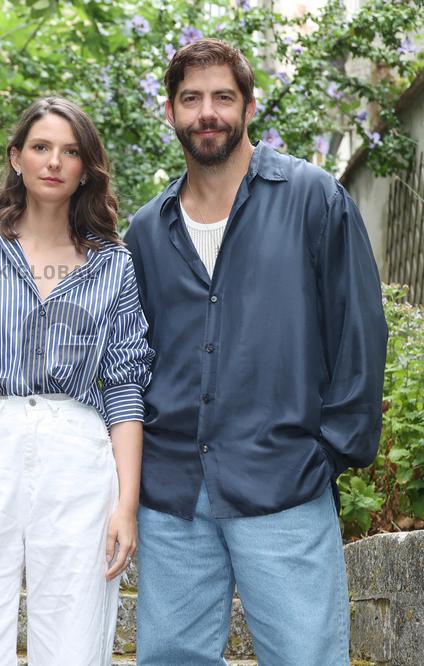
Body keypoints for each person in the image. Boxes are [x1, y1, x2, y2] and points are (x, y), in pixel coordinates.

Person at [125, 39, 388, 665]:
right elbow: (130, 358)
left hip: (285, 483)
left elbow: (359, 330)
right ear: (170, 111)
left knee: (306, 658)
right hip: (173, 496)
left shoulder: (313, 199)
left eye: (222, 97)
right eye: (191, 99)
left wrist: (328, 453)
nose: (206, 112)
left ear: (248, 106)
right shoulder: (144, 230)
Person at [0, 97, 154, 665]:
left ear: (85, 169)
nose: (54, 162)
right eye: (41, 147)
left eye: (70, 152)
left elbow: (124, 386)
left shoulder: (113, 265)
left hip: (77, 452)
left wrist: (126, 502)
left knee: (75, 632)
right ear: (16, 157)